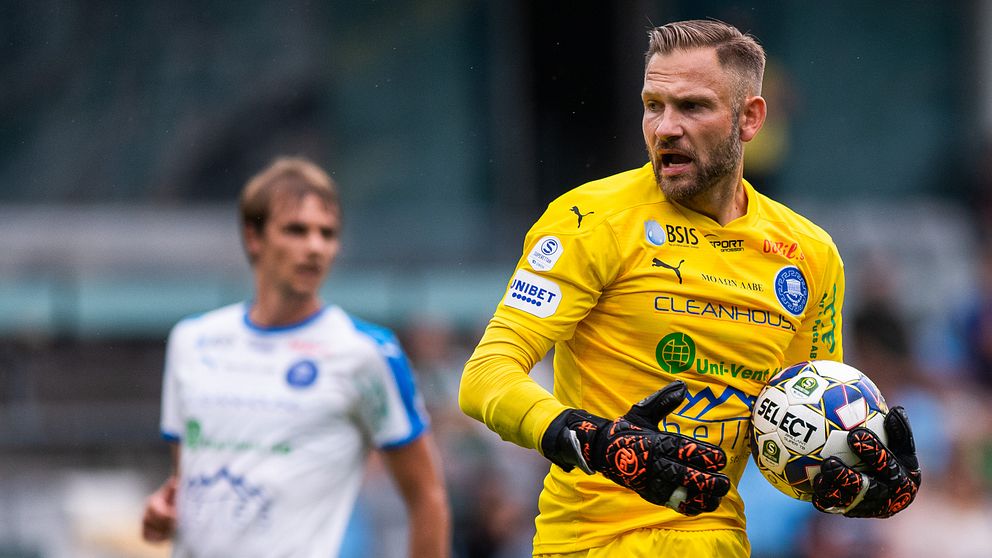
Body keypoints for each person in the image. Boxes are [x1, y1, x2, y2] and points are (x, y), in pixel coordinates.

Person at [458, 19, 920, 557]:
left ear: (750, 119)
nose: (665, 128)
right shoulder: (590, 219)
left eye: (692, 107)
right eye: (653, 105)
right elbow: (485, 376)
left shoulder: (810, 255)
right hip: (593, 544)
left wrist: (864, 485)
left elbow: (802, 444)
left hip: (719, 542)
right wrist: (592, 440)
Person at [141, 157, 450, 557]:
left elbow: (427, 496)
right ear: (254, 237)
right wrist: (162, 513)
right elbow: (187, 481)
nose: (315, 247)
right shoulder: (192, 340)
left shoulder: (366, 352)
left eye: (328, 233)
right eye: (296, 230)